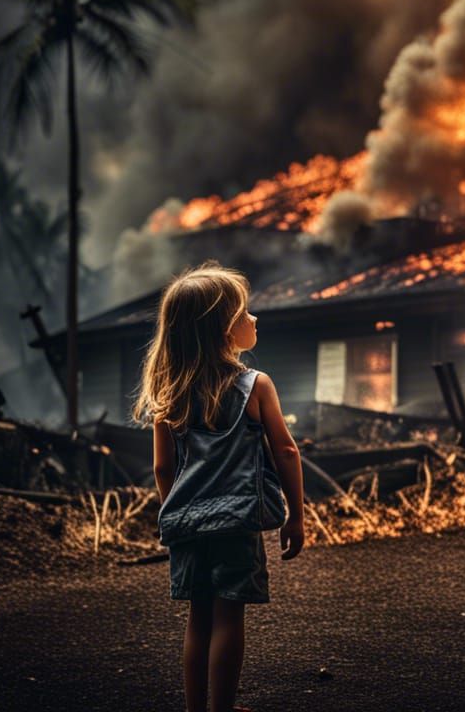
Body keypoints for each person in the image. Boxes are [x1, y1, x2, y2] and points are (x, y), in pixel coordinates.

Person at [133, 261, 305, 712]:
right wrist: (296, 515)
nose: (254, 319)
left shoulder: (168, 395)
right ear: (222, 329)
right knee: (230, 616)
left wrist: (176, 513)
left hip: (187, 523)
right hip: (237, 523)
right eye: (245, 313)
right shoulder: (255, 386)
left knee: (198, 618)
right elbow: (287, 453)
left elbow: (161, 468)